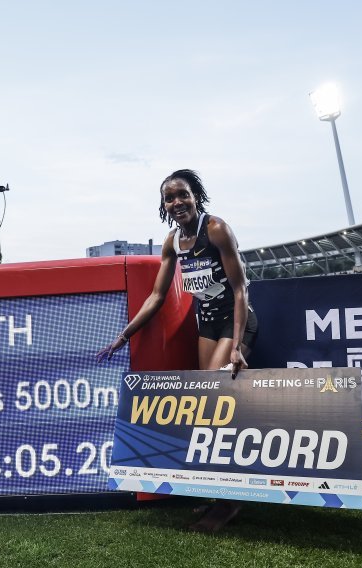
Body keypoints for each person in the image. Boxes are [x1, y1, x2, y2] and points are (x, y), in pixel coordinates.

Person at [96, 169, 258, 532]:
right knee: (208, 408)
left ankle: (230, 503)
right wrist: (124, 336)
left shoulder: (215, 229)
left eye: (182, 195)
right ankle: (221, 496)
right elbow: (156, 295)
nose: (177, 202)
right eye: (170, 198)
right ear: (164, 206)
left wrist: (236, 348)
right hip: (207, 326)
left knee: (216, 404)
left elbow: (239, 290)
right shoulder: (173, 242)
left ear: (195, 196)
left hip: (237, 320)